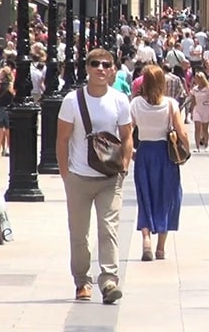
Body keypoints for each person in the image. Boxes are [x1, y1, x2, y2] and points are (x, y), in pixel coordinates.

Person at [56, 49, 133, 304]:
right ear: (87, 68)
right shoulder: (72, 101)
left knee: (108, 228)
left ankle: (109, 281)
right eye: (95, 64)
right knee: (79, 232)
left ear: (113, 69)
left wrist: (124, 166)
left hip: (110, 178)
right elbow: (62, 139)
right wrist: (65, 174)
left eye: (106, 64)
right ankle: (82, 281)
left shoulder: (120, 100)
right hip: (79, 176)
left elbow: (127, 136)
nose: (101, 68)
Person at [130, 65, 187, 262]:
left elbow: (126, 132)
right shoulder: (170, 104)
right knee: (168, 196)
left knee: (145, 196)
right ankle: (161, 248)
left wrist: (131, 153)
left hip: (145, 153)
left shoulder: (136, 103)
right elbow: (182, 132)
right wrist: (185, 150)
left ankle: (146, 239)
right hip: (165, 155)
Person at [189, 71, 209, 152]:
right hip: (197, 109)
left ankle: (206, 145)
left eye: (197, 78)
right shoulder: (194, 89)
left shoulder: (207, 89)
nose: (195, 80)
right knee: (197, 129)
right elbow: (193, 100)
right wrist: (191, 111)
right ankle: (197, 146)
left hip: (205, 109)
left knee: (205, 129)